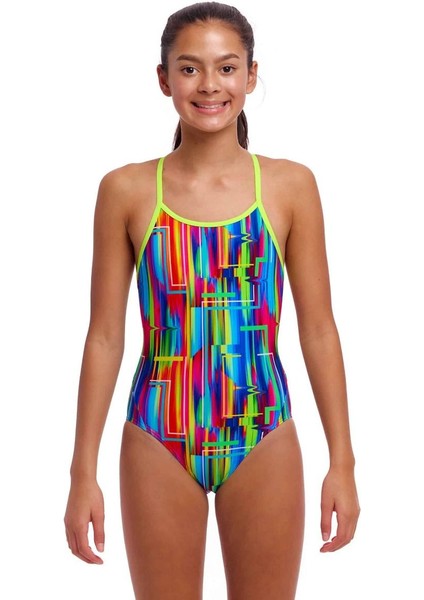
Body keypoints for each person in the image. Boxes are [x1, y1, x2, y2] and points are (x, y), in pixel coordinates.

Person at [64, 2, 360, 598]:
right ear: (164, 78)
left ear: (251, 75)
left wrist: (343, 462)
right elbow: (104, 336)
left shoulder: (289, 186)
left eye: (226, 68)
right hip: (158, 433)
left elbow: (319, 329)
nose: (209, 85)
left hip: (262, 428)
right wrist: (81, 472)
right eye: (189, 68)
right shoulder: (125, 190)